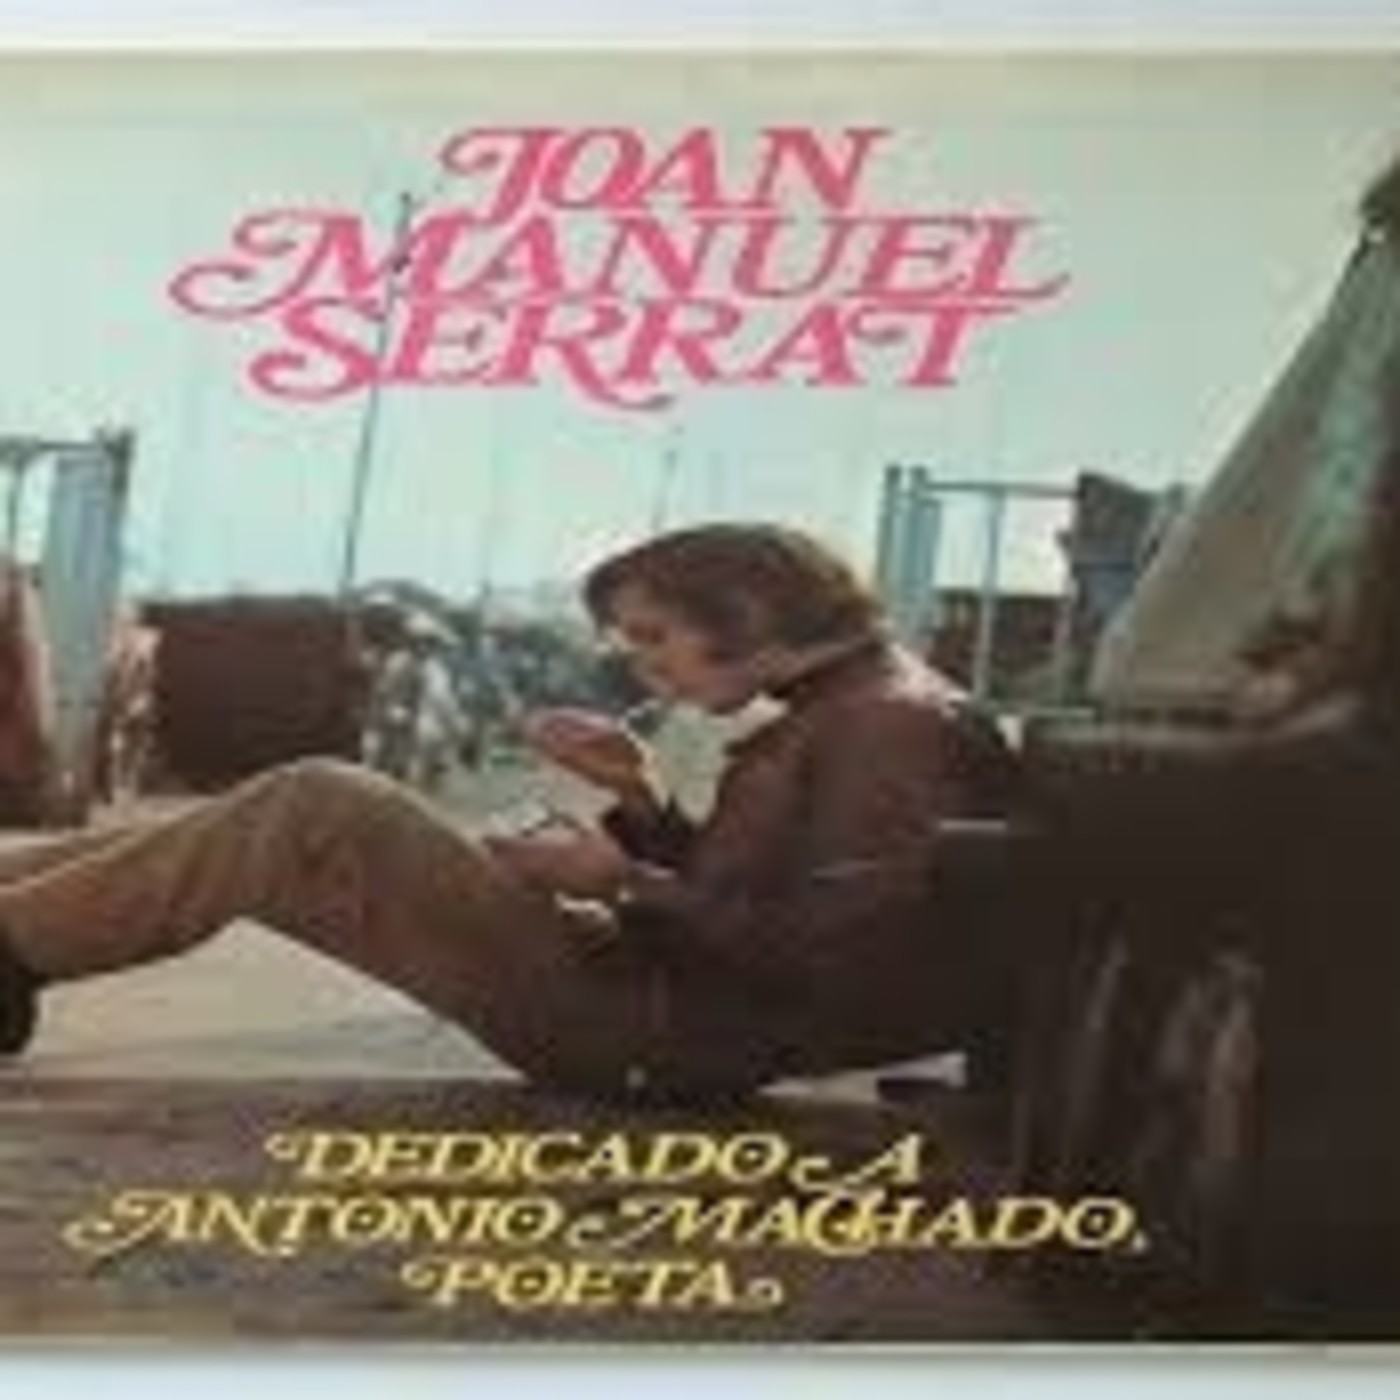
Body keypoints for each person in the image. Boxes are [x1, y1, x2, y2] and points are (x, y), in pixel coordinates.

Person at [0, 524, 1012, 1100]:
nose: (643, 665)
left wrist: (621, 880)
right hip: (658, 998)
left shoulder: (887, 728)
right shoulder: (848, 703)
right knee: (261, 831)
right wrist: (639, 796)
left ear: (746, 615)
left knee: (317, 801)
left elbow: (836, 957)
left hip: (657, 1032)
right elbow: (763, 884)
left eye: (655, 636)